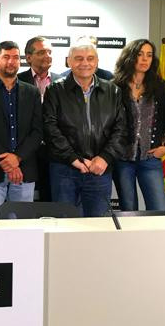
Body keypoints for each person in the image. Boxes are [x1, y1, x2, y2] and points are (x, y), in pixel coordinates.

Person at [43, 41, 126, 217]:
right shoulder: (55, 90)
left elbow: (121, 129)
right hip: (64, 169)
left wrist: (104, 158)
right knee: (64, 225)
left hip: (100, 170)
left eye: (90, 58)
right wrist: (74, 159)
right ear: (69, 62)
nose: (85, 63)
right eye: (79, 59)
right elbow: (50, 128)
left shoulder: (113, 91)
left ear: (97, 61)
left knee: (96, 227)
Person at [0, 41, 42, 219]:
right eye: (6, 57)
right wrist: (7, 159)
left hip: (24, 169)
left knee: (22, 227)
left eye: (15, 58)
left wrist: (16, 158)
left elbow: (37, 131)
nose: (11, 62)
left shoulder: (32, 92)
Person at [112, 39, 165, 211]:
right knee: (128, 209)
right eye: (140, 54)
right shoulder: (115, 87)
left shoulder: (161, 86)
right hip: (123, 159)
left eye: (149, 55)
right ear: (130, 57)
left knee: (159, 209)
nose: (144, 59)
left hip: (150, 157)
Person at [17, 36, 63, 202]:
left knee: (52, 198)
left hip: (55, 151)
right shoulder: (17, 81)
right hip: (26, 150)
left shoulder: (62, 81)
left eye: (50, 52)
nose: (47, 55)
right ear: (28, 57)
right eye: (42, 52)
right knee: (23, 200)